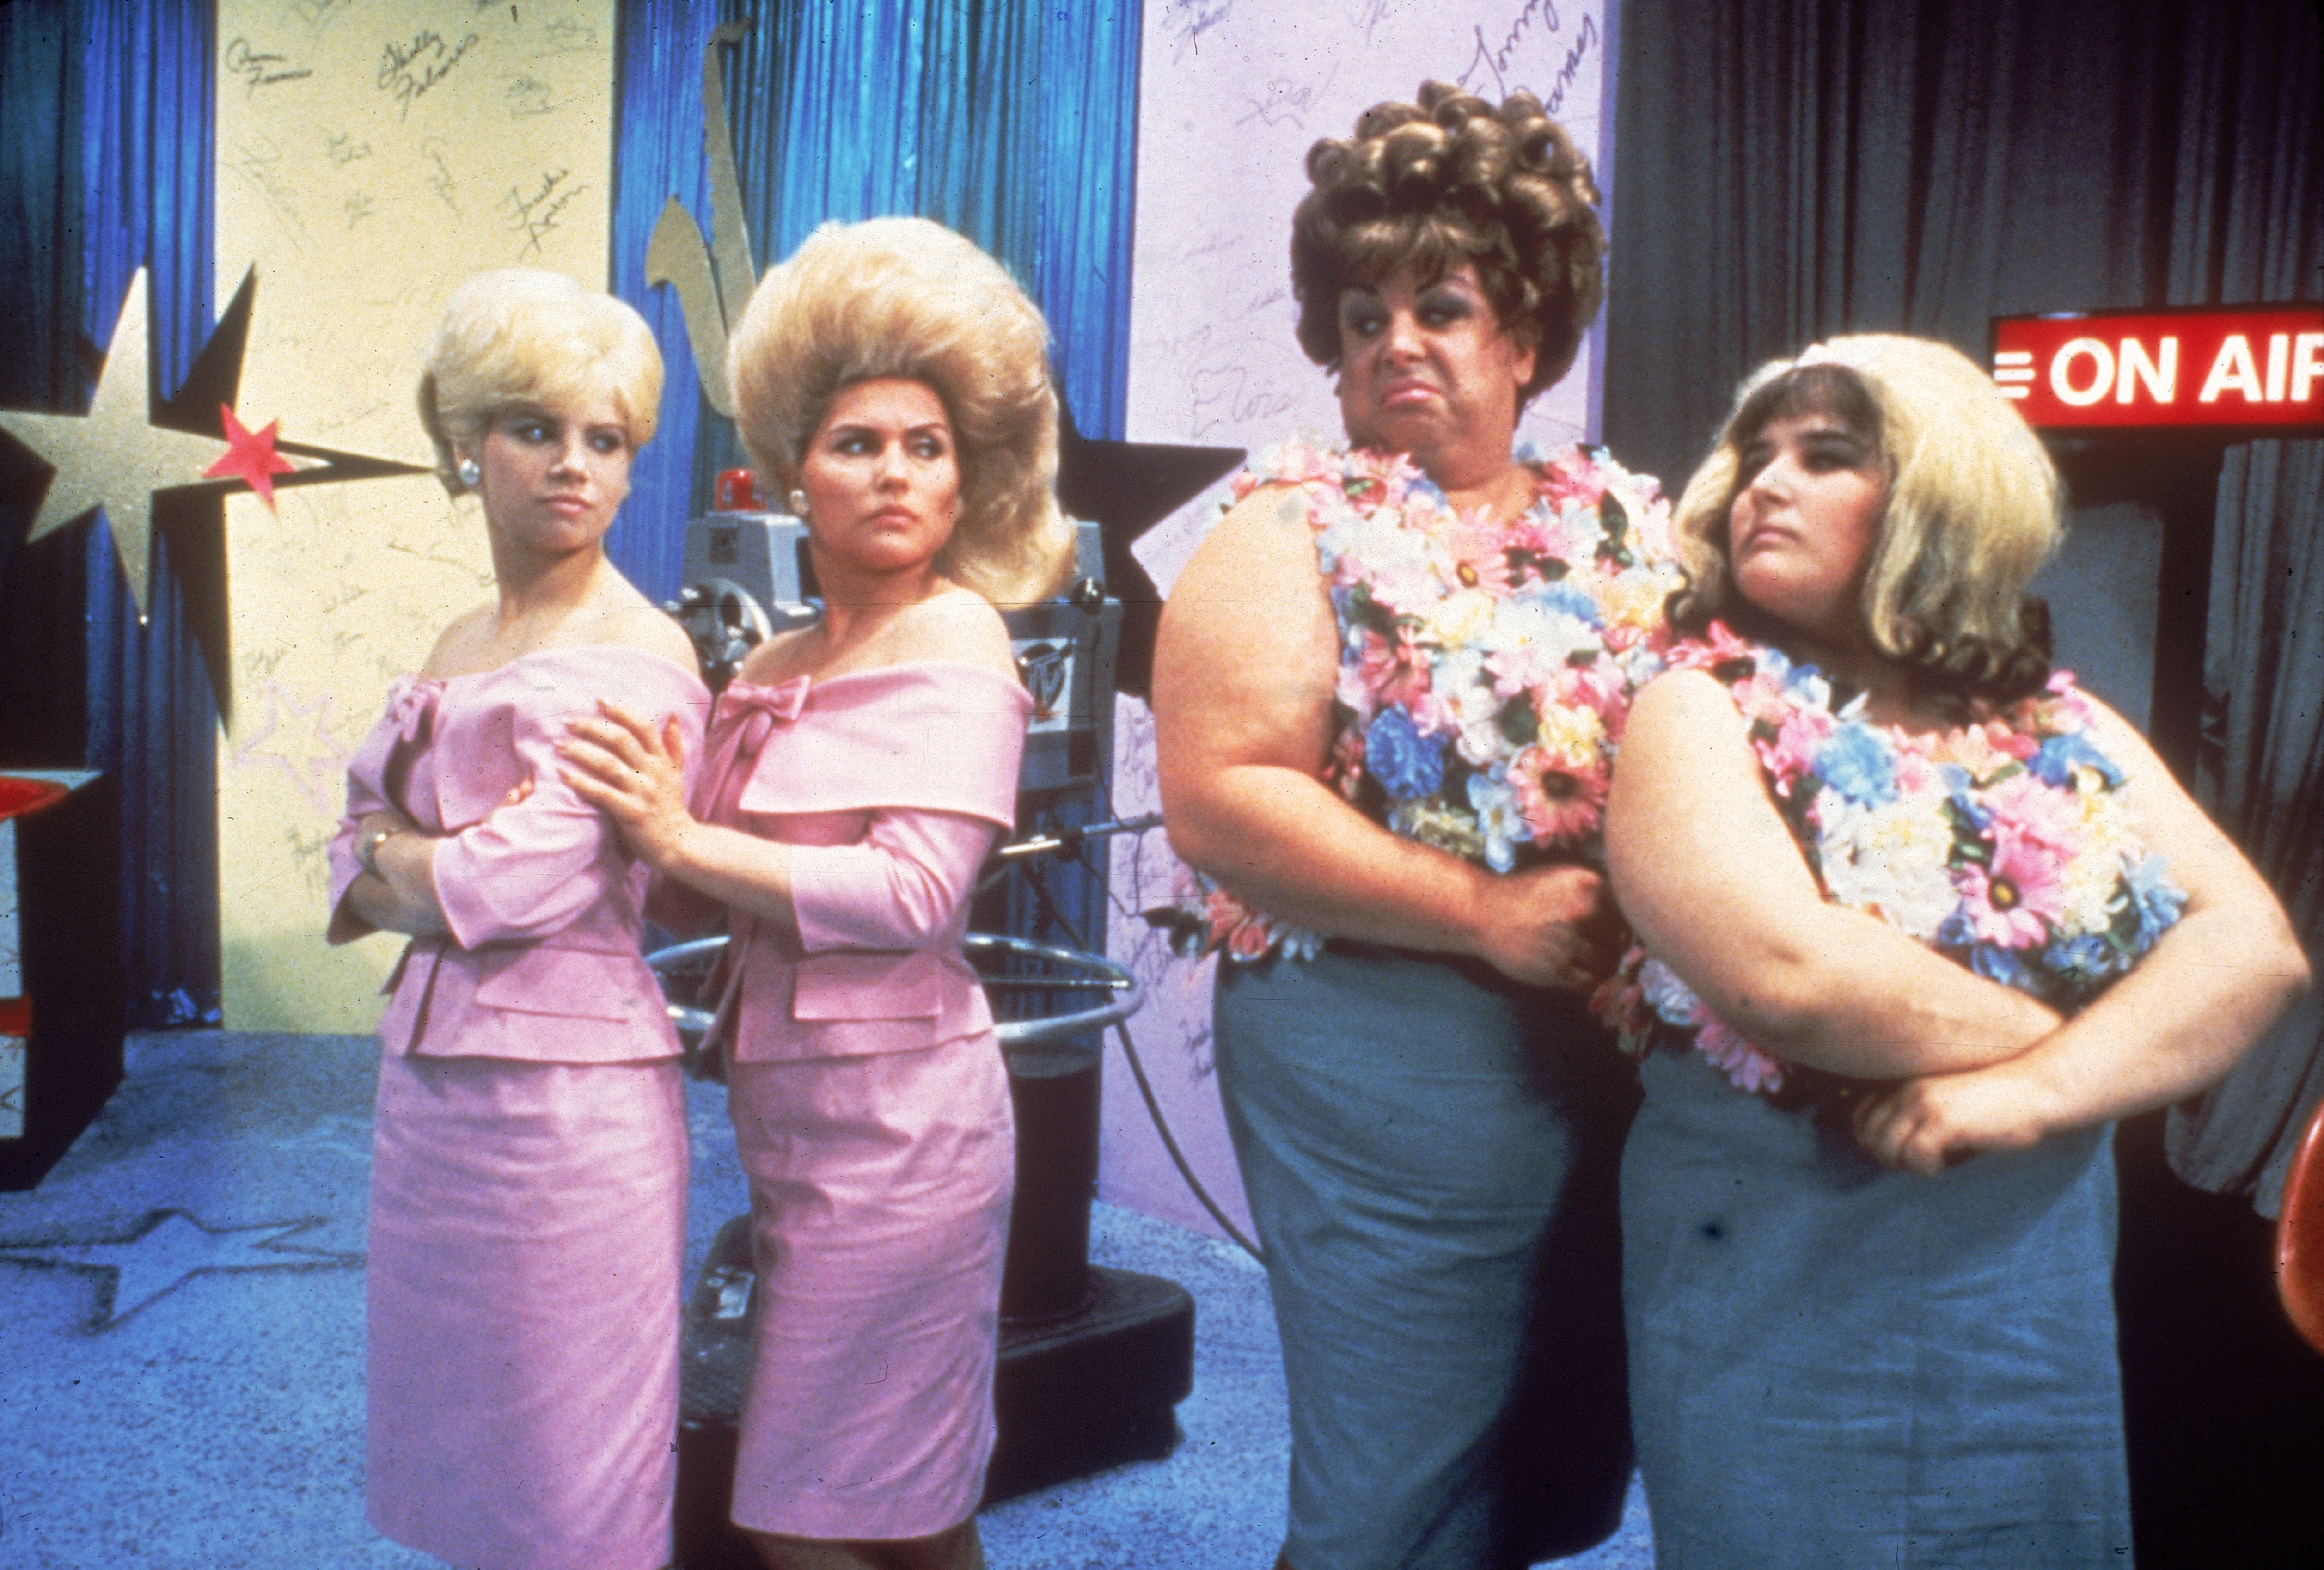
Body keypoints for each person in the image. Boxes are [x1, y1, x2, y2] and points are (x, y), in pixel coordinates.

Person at [1600, 333, 2310, 1568]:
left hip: (2018, 1302)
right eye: (1752, 455)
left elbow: (2254, 953)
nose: (1763, 481)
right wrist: (2103, 1036)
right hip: (1777, 1280)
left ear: (1936, 497)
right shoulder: (1689, 708)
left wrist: (2031, 1091)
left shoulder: (2064, 723)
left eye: (1823, 455)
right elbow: (1794, 978)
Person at [1150, 82, 1678, 1570]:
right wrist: (1483, 912)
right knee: (1401, 1481)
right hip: (1378, 1050)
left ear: (1524, 334)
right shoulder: (1280, 528)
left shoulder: (1626, 524)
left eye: (1440, 306)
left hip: (1600, 1047)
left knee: (1552, 1467)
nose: (1397, 342)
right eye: (1364, 311)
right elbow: (1223, 800)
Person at [558, 216, 1071, 1570]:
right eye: (858, 443)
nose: (895, 472)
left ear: (967, 483)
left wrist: (674, 830)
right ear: (794, 475)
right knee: (909, 1498)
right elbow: (692, 897)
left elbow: (910, 893)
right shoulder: (771, 661)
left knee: (797, 1511)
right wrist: (600, 805)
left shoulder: (958, 631)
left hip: (908, 1135)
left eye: (927, 446)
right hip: (791, 1126)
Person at [325, 268, 709, 1570]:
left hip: (569, 1109)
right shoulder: (454, 636)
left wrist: (398, 860)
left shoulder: (641, 650)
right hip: (429, 1097)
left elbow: (514, 883)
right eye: (536, 429)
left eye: (605, 440)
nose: (573, 467)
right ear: (466, 440)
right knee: (460, 1460)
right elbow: (348, 845)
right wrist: (402, 860)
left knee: (570, 1478)